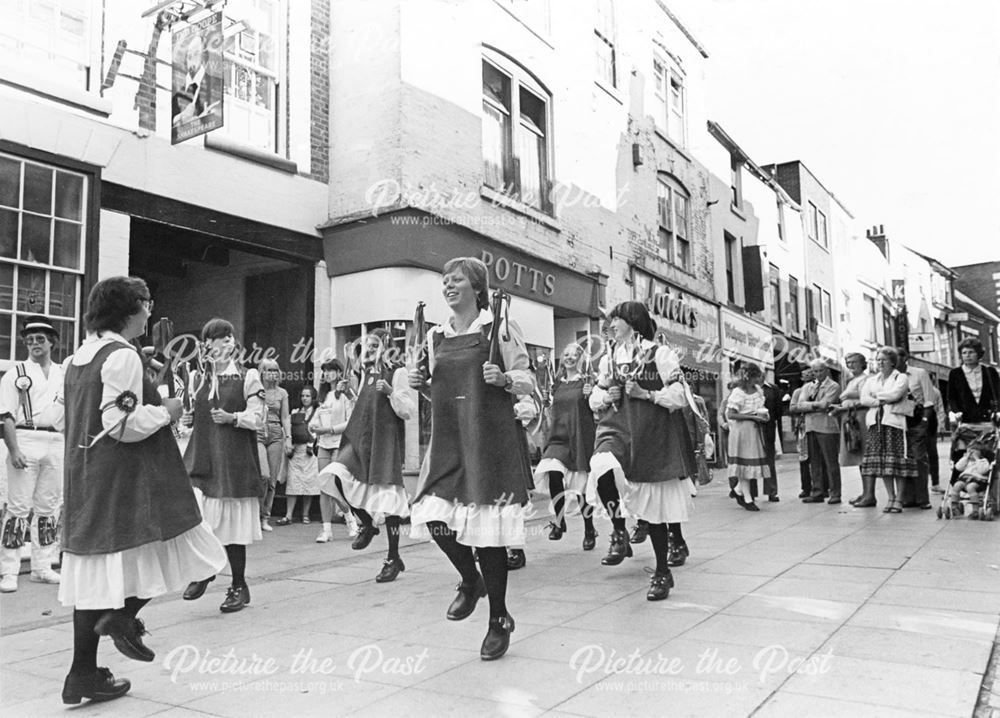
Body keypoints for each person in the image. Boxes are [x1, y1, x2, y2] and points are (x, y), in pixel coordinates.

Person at [59, 277, 226, 705]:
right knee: (189, 551)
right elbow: (121, 425)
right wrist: (164, 410)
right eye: (146, 303)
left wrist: (141, 379)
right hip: (127, 480)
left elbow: (70, 419)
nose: (150, 311)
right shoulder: (122, 357)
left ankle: (82, 674)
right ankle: (122, 619)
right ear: (129, 309)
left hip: (85, 479)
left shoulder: (79, 357)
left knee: (96, 576)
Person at [408, 256, 534, 661]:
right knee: (430, 515)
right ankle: (470, 580)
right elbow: (442, 392)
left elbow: (528, 379)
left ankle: (499, 620)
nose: (448, 286)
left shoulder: (498, 327)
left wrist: (506, 379)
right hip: (448, 443)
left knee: (489, 537)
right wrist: (422, 384)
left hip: (489, 441)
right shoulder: (435, 337)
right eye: (444, 280)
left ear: (477, 288)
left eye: (456, 279)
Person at [588, 301, 695, 601]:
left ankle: (662, 571)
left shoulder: (660, 354)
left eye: (616, 319)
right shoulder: (608, 359)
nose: (610, 325)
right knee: (600, 467)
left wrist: (646, 393)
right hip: (617, 429)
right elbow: (594, 397)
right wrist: (605, 396)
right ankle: (619, 530)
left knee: (654, 508)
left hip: (650, 434)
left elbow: (680, 396)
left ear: (633, 321)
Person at [181, 318, 265, 613]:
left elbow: (260, 418)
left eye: (230, 336)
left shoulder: (248, 375)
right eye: (221, 337)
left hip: (233, 461)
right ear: (208, 344)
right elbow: (189, 416)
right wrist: (187, 421)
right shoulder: (197, 378)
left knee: (232, 528)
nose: (228, 341)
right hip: (204, 457)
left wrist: (234, 418)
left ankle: (239, 586)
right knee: (201, 522)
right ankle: (205, 571)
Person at [320, 329, 414, 582]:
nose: (369, 351)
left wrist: (391, 392)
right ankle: (367, 524)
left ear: (386, 346)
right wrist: (350, 393)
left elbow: (407, 410)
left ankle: (393, 558)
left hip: (384, 441)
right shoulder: (366, 373)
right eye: (367, 346)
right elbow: (364, 405)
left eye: (374, 346)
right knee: (334, 475)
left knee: (389, 499)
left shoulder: (398, 372)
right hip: (361, 437)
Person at [0, 315, 65, 592]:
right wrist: (13, 448)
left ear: (52, 342)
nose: (35, 344)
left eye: (41, 339)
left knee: (48, 508)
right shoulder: (16, 372)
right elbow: (5, 414)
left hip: (56, 439)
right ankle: (8, 571)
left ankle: (42, 566)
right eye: (30, 340)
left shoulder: (64, 372)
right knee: (17, 507)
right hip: (26, 437)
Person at [533, 342, 598, 551]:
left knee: (580, 486)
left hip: (579, 436)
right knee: (553, 473)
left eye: (574, 354)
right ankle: (560, 522)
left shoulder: (587, 383)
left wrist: (591, 394)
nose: (569, 357)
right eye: (566, 354)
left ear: (580, 359)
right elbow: (552, 410)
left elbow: (597, 409)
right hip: (558, 437)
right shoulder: (556, 384)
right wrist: (546, 403)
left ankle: (589, 529)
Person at [858, 347, 917, 513]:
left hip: (894, 424)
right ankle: (890, 497)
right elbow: (864, 398)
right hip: (875, 425)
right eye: (878, 360)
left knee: (897, 462)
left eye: (884, 360)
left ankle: (899, 499)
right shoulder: (871, 380)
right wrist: (880, 400)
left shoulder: (901, 377)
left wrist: (876, 396)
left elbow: (896, 394)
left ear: (892, 361)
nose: (880, 363)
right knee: (883, 464)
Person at [310, 359, 355, 543]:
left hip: (339, 443)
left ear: (339, 372)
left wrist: (329, 430)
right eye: (325, 371)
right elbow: (314, 419)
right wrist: (313, 427)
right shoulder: (323, 396)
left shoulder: (344, 394)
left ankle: (350, 518)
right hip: (323, 444)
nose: (327, 374)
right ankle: (326, 529)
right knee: (324, 485)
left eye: (331, 370)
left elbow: (349, 421)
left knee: (334, 484)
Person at [946, 338, 1000, 484]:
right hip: (966, 421)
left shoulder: (989, 372)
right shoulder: (955, 373)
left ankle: (988, 487)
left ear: (979, 354)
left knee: (988, 454)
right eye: (964, 353)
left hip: (987, 420)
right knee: (962, 454)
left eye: (971, 352)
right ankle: (957, 486)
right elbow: (951, 398)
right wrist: (956, 412)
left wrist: (997, 411)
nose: (967, 355)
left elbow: (998, 393)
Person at [793, 359, 843, 504]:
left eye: (821, 370)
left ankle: (835, 493)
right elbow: (799, 405)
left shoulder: (833, 385)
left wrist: (809, 405)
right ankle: (817, 491)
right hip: (810, 426)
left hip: (827, 427)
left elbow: (826, 404)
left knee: (830, 461)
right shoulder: (808, 386)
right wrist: (816, 406)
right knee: (814, 462)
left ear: (826, 370)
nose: (818, 374)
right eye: (815, 371)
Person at [725, 363, 770, 512]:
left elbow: (760, 410)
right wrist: (751, 417)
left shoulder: (758, 391)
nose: (758, 380)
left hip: (754, 430)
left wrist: (764, 416)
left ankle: (738, 490)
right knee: (744, 465)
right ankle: (747, 498)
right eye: (756, 376)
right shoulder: (738, 392)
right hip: (741, 431)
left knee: (750, 464)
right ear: (749, 377)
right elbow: (731, 414)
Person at [898, 348, 936, 510]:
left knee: (919, 459)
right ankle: (907, 497)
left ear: (905, 357)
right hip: (897, 422)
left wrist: (925, 421)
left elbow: (929, 399)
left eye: (896, 356)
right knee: (902, 460)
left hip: (916, 420)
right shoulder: (890, 376)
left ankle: (922, 498)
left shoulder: (919, 373)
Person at [834, 352, 874, 506]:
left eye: (854, 362)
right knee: (858, 456)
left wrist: (848, 402)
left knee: (865, 455)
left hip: (861, 419)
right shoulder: (851, 380)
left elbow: (866, 398)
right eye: (848, 362)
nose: (851, 365)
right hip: (851, 419)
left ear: (862, 363)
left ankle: (869, 494)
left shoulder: (867, 379)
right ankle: (865, 493)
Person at [256, 358, 291, 532]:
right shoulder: (255, 389)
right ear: (261, 372)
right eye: (269, 370)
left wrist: (289, 437)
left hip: (276, 432)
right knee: (263, 474)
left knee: (272, 479)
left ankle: (265, 516)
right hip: (258, 431)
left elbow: (285, 416)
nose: (272, 373)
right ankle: (255, 514)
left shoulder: (282, 393)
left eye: (275, 370)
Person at [277, 385, 320, 525]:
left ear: (313, 397)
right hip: (295, 450)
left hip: (310, 450)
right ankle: (288, 515)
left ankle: (305, 514)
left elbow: (319, 428)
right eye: (302, 396)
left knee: (309, 483)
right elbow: (287, 428)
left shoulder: (318, 411)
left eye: (307, 396)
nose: (304, 398)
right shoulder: (295, 411)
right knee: (293, 482)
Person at [171, 33, 219, 128]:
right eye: (189, 54)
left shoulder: (213, 86)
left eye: (196, 53)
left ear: (203, 58)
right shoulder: (178, 87)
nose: (191, 58)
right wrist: (180, 117)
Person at [786, 367, 814, 499]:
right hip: (803, 426)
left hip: (817, 425)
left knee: (818, 457)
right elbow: (792, 407)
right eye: (805, 374)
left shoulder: (819, 388)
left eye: (811, 373)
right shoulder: (798, 391)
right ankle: (806, 487)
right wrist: (809, 406)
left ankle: (822, 485)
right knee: (804, 457)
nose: (808, 376)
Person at [948, 443, 993, 518]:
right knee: (956, 485)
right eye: (969, 451)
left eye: (974, 451)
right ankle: (954, 507)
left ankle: (975, 510)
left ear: (980, 453)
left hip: (978, 480)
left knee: (970, 487)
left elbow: (982, 470)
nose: (971, 452)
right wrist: (965, 458)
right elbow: (958, 467)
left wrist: (977, 459)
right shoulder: (966, 460)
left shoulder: (983, 461)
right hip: (964, 478)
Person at [760, 376, 783, 501]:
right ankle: (749, 493)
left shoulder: (773, 388)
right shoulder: (747, 388)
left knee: (769, 460)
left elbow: (778, 410)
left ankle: (771, 491)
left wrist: (770, 420)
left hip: (768, 427)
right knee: (749, 459)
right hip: (752, 427)